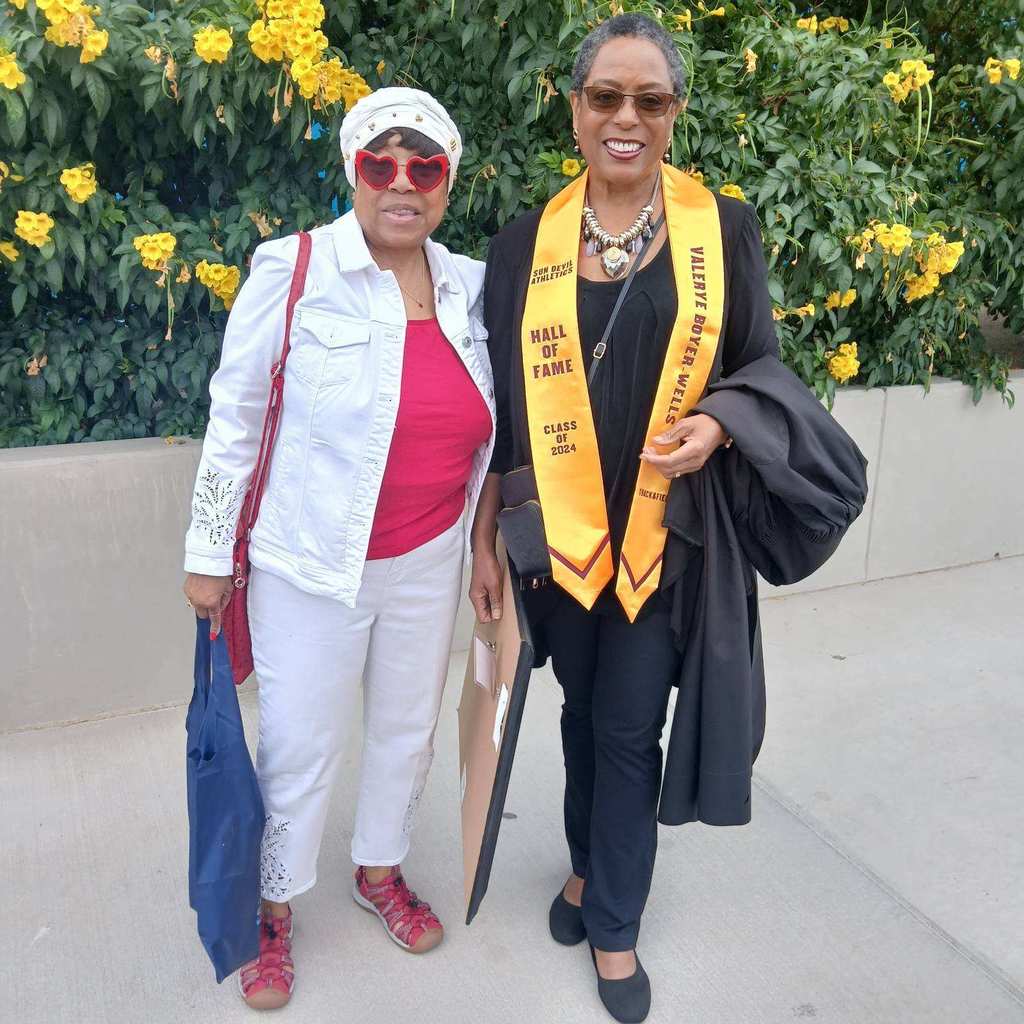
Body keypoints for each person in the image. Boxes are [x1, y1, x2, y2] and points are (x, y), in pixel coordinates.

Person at [469, 14, 867, 1024]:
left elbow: (759, 366)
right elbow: (503, 409)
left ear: (674, 113)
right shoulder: (524, 245)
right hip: (554, 541)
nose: (626, 118)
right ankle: (581, 865)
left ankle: (613, 922)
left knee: (626, 728)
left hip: (659, 537)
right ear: (574, 108)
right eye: (606, 96)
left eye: (650, 100)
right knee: (574, 713)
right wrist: (485, 533)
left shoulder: (719, 229)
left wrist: (721, 425)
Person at [183, 87, 495, 1010]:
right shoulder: (294, 268)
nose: (404, 184)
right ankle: (272, 913)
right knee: (299, 745)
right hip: (309, 562)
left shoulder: (471, 285)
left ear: (446, 183)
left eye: (425, 167)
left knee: (408, 727)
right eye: (381, 165)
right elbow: (234, 416)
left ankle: (378, 869)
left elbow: (499, 432)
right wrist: (207, 549)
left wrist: (481, 539)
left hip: (430, 555)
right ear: (354, 172)